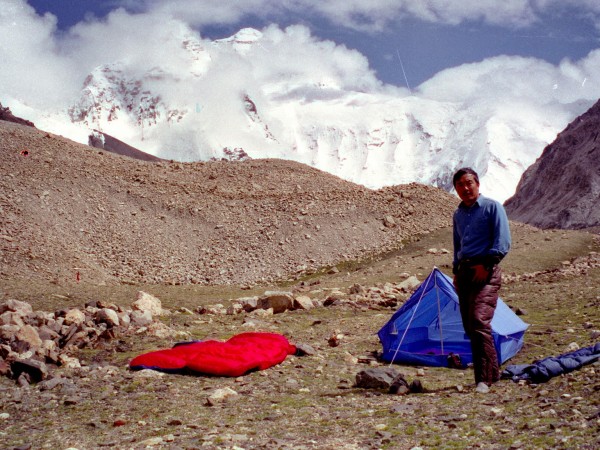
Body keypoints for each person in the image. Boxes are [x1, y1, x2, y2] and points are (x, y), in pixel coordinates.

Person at [451, 167, 511, 394]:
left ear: (477, 184)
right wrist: (456, 271)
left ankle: (484, 379)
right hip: (465, 273)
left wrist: (486, 265)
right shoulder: (458, 214)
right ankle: (490, 374)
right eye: (460, 185)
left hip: (485, 271)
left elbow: (503, 239)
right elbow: (458, 245)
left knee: (478, 321)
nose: (465, 189)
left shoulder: (492, 207)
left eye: (469, 183)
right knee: (470, 326)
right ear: (456, 189)